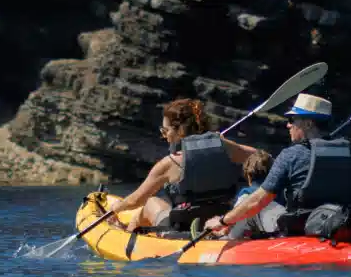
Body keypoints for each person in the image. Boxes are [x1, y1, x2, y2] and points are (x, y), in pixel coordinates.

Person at [203, 92, 351, 239]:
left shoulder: (291, 154)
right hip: (339, 221)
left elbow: (258, 201)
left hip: (300, 226)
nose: (288, 125)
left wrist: (224, 221)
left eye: (292, 120)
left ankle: (223, 241)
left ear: (308, 124)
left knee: (247, 199)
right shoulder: (348, 150)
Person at [107, 97, 261, 233]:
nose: (164, 136)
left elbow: (135, 201)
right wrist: (222, 145)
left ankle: (126, 234)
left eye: (165, 130)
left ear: (179, 130)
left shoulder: (169, 163)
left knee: (150, 202)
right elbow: (260, 157)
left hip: (184, 226)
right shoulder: (226, 147)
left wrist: (117, 208)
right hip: (221, 220)